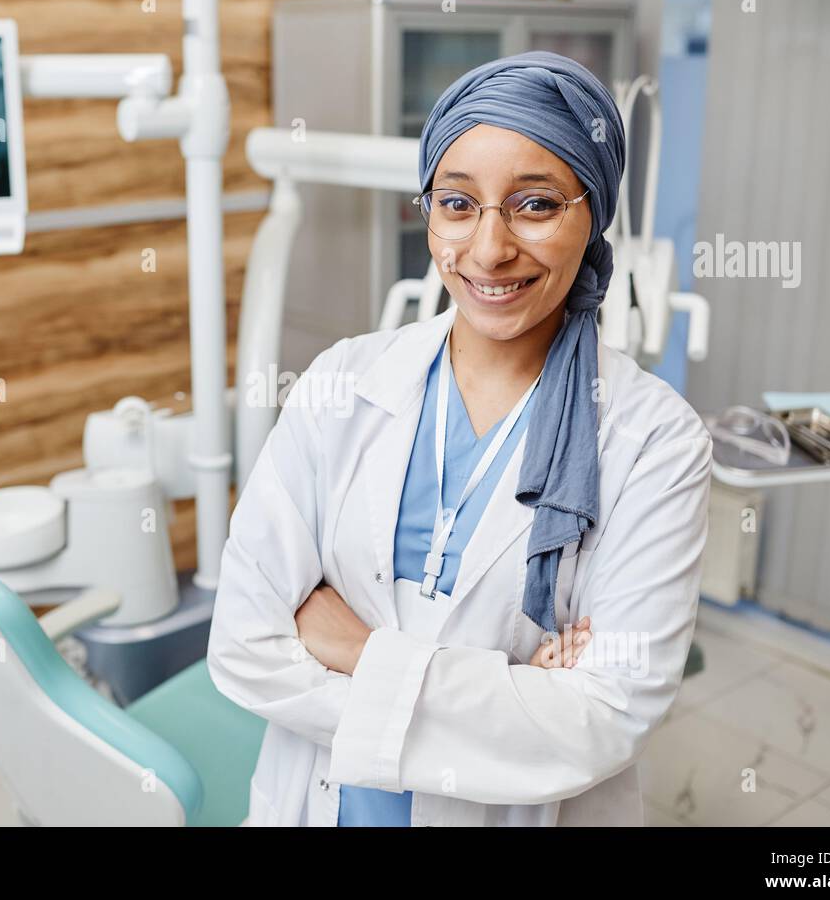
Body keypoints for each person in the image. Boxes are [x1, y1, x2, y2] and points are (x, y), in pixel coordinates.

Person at [207, 51, 713, 826]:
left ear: (592, 213)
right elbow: (244, 645)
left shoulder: (655, 441)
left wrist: (357, 651)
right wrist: (512, 691)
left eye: (536, 205)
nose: (487, 250)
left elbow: (604, 720)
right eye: (457, 203)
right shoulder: (344, 381)